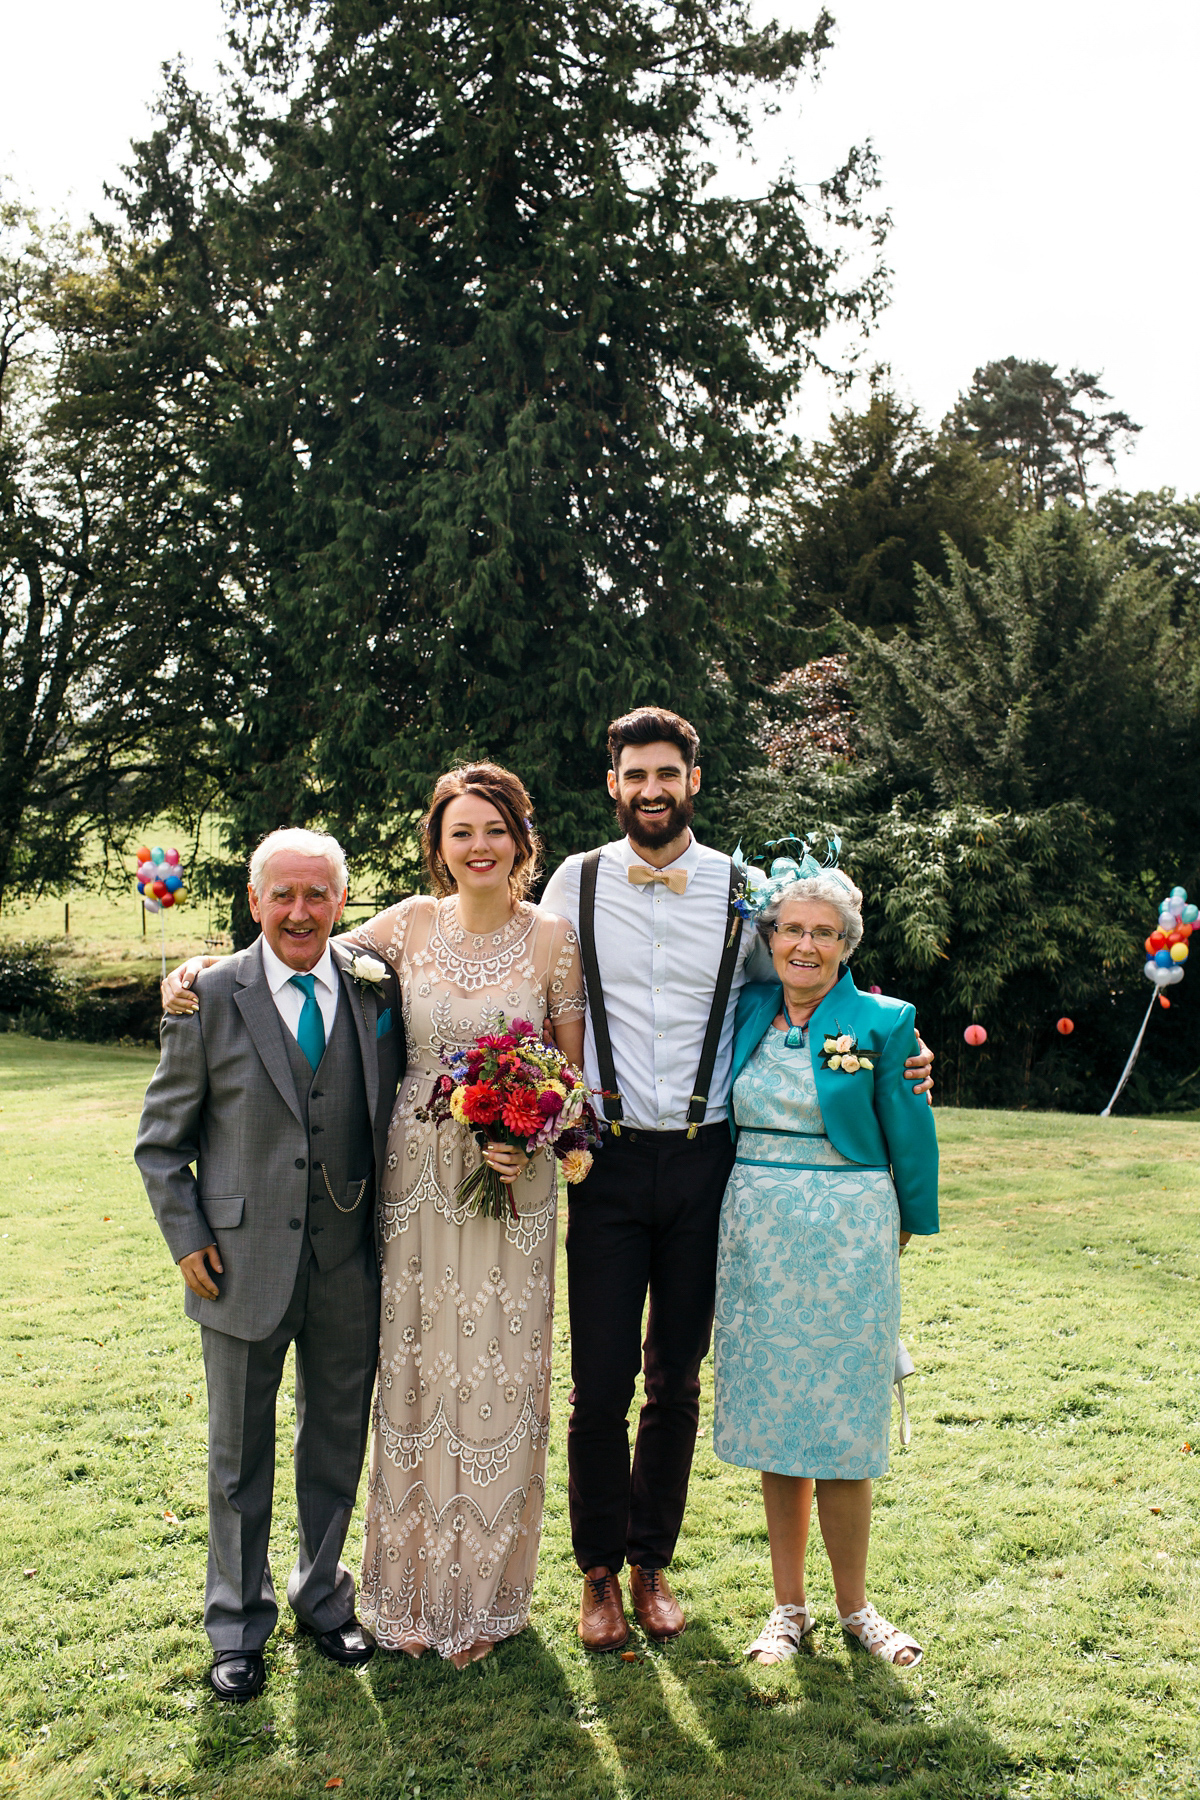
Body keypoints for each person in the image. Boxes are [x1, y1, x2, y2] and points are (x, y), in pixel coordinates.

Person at [163, 765, 585, 1668]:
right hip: (410, 1194)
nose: (478, 846)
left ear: (520, 839)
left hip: (506, 1193)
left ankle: (469, 1595)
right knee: (411, 1387)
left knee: (478, 1390)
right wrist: (200, 964)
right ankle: (322, 1609)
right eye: (460, 831)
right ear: (436, 845)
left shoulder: (555, 938)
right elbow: (291, 950)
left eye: (494, 829)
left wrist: (537, 1131)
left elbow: (569, 1078)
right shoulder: (399, 928)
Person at [540, 709, 936, 1652]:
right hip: (605, 1155)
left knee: (677, 1376)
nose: (650, 790)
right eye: (634, 774)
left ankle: (651, 1564)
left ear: (693, 781)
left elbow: (811, 978)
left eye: (667, 774)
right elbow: (496, 953)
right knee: (601, 1380)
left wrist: (906, 1055)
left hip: (711, 1161)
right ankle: (595, 1575)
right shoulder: (574, 880)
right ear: (613, 785)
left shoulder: (738, 892)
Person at [136, 829, 406, 1702]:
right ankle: (237, 1625)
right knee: (238, 1456)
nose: (299, 912)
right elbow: (159, 1145)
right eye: (281, 895)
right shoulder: (208, 996)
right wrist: (187, 1240)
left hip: (348, 1263)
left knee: (335, 1441)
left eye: (316, 894)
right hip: (237, 1263)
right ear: (254, 902)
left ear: (340, 900)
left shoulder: (374, 990)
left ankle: (322, 1598)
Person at [713, 854, 938, 1668]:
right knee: (780, 1424)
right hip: (758, 1231)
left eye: (825, 933)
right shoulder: (743, 1011)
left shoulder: (885, 1021)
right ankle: (786, 1608)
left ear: (848, 944)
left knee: (843, 1422)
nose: (805, 945)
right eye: (792, 929)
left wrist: (910, 1219)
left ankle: (856, 1608)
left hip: (850, 1229)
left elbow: (908, 1128)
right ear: (770, 937)